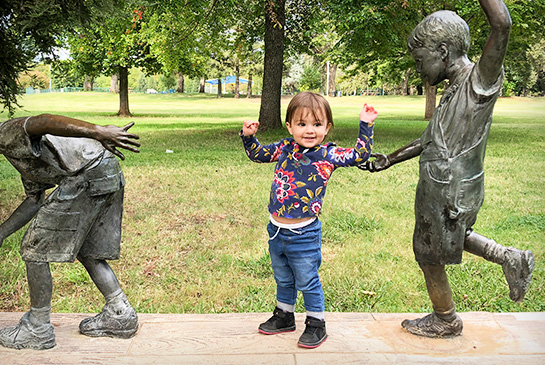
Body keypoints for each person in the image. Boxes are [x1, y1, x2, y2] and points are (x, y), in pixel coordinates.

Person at [359, 0, 534, 338]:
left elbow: (502, 24)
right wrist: (391, 158)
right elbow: (430, 138)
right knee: (450, 239)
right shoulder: (454, 89)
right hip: (444, 185)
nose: (419, 68)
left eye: (420, 59)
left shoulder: (478, 82)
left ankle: (446, 319)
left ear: (442, 50)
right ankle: (509, 257)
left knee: (429, 255)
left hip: (450, 188)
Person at [240, 92, 377, 348]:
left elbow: (360, 155)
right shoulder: (284, 148)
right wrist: (249, 137)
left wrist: (366, 124)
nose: (309, 130)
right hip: (276, 231)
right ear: (290, 126)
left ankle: (316, 323)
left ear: (327, 127)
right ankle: (284, 316)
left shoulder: (328, 154)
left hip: (304, 234)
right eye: (302, 124)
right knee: (283, 278)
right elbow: (257, 154)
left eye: (317, 124)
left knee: (307, 279)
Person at [0, 114, 141, 349]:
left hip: (87, 172)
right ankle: (120, 313)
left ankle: (38, 328)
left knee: (35, 249)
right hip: (104, 168)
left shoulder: (5, 133)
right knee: (89, 251)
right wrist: (3, 232)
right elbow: (34, 200)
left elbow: (42, 121)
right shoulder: (17, 154)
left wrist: (97, 130)